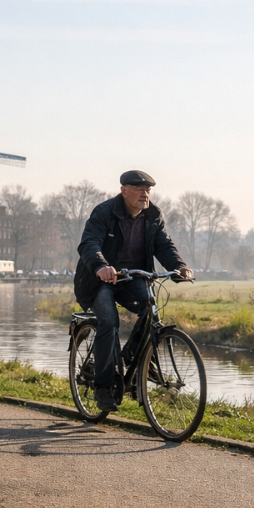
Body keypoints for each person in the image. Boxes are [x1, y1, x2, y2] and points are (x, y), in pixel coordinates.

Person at [75, 170, 192, 413]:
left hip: (133, 278)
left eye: (148, 190)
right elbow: (89, 242)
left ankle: (134, 357)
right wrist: (101, 266)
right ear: (124, 190)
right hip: (101, 280)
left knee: (151, 309)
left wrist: (179, 267)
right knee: (109, 321)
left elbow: (164, 245)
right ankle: (103, 387)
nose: (144, 194)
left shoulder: (153, 215)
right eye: (139, 189)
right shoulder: (104, 212)